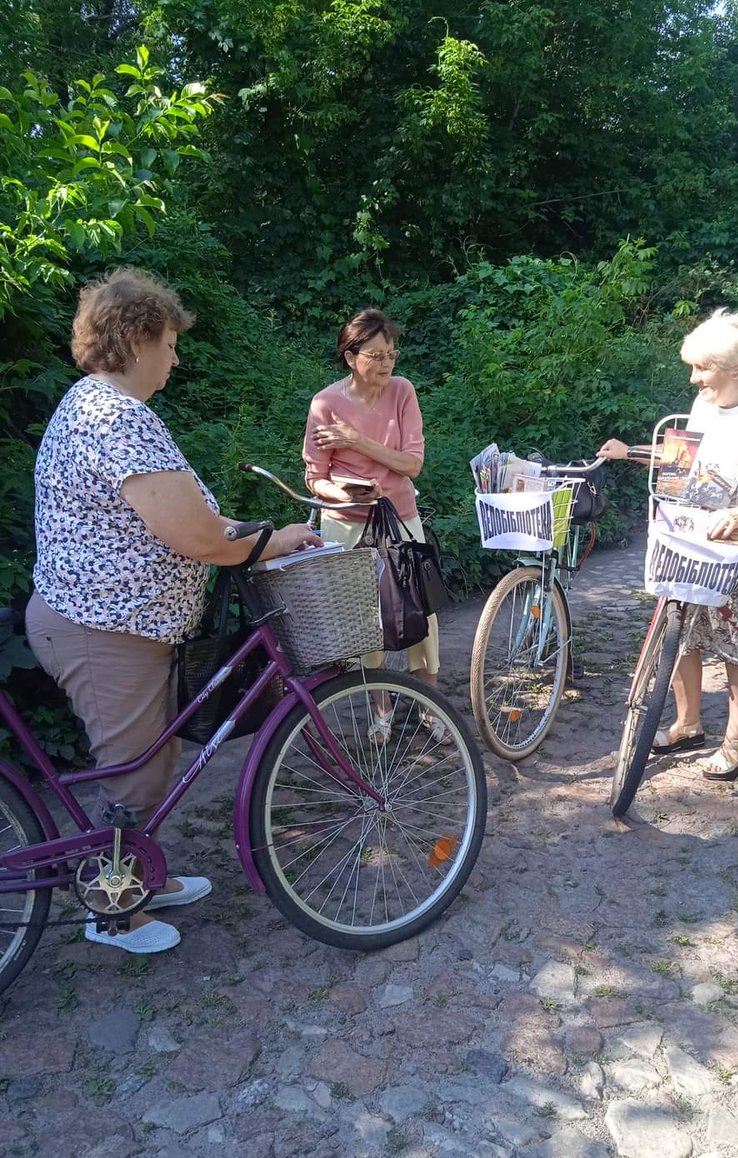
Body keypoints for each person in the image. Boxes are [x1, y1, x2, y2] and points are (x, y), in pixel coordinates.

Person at [25, 267, 322, 955]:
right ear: (134, 339)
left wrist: (236, 531)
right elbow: (192, 537)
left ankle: (136, 880)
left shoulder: (98, 406)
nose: (176, 355)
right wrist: (269, 539)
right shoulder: (115, 416)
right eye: (168, 341)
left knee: (153, 763)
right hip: (104, 628)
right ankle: (113, 911)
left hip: (120, 623)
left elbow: (179, 516)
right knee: (136, 770)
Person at [599, 309, 738, 781]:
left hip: (737, 552)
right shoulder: (706, 404)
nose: (694, 378)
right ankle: (687, 724)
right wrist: (630, 451)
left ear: (735, 367)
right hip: (690, 540)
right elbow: (687, 461)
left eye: (702, 367)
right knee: (681, 637)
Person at [302, 307, 445, 743]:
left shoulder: (402, 392)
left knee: (421, 614)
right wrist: (344, 494)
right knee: (367, 621)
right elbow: (314, 477)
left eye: (391, 354)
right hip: (346, 524)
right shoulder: (325, 404)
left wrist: (356, 441)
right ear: (351, 356)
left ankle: (430, 706)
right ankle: (380, 711)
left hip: (400, 520)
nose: (387, 364)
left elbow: (412, 463)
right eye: (376, 355)